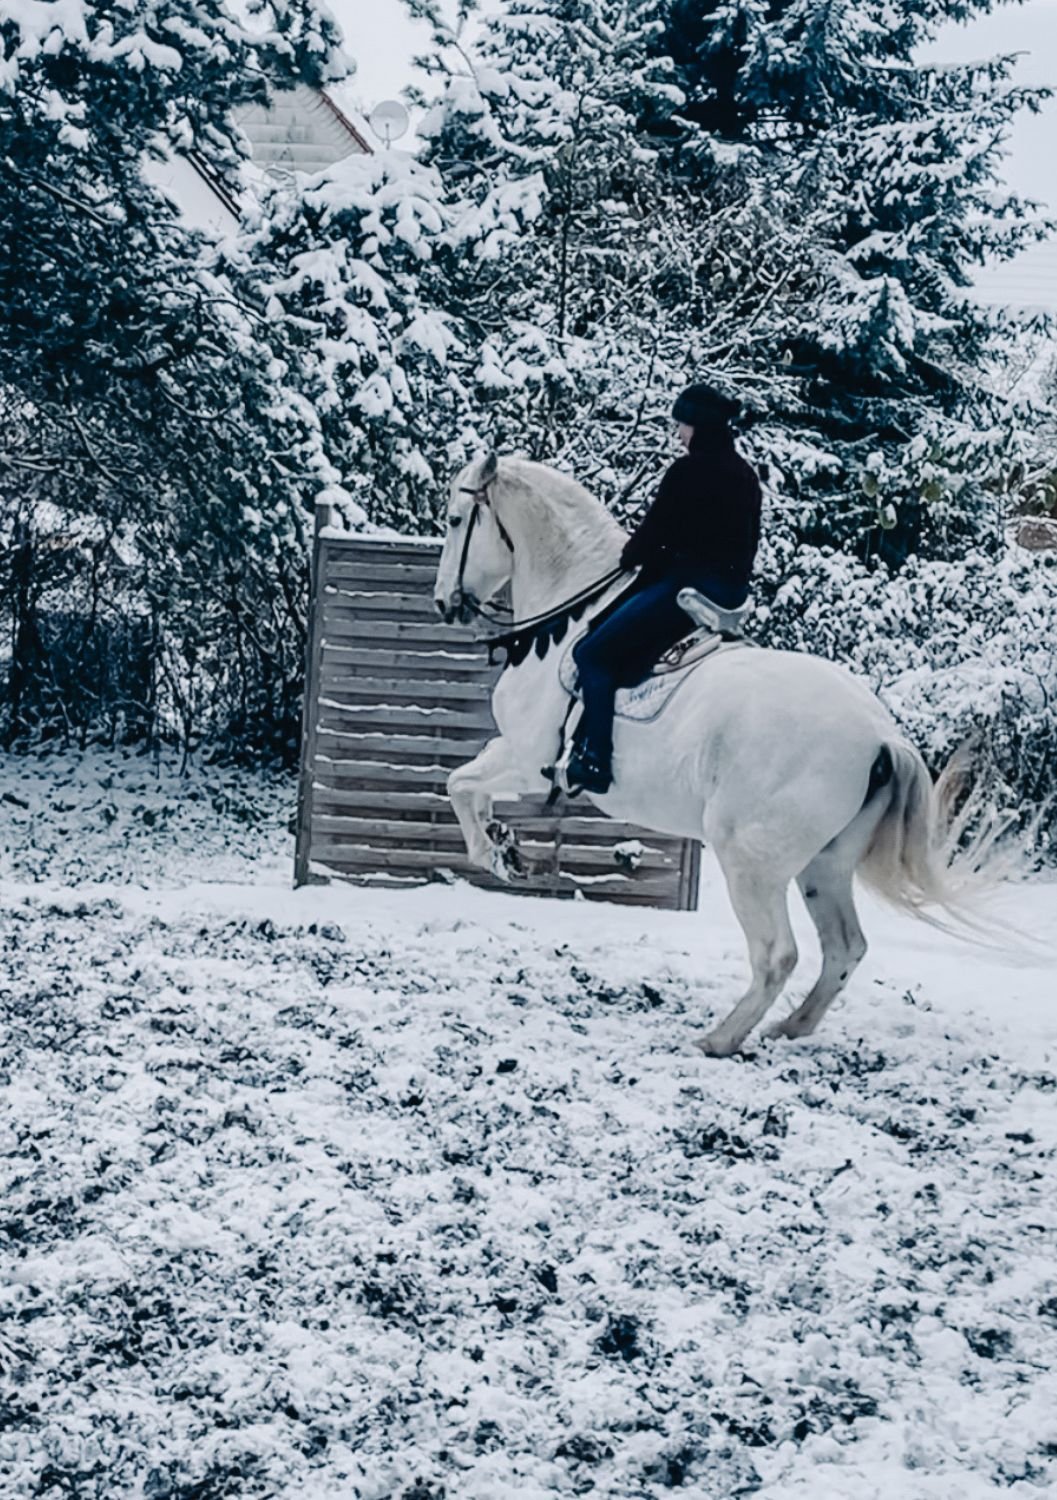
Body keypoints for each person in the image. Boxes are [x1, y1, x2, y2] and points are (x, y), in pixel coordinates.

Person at [566, 383, 762, 795]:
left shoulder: (688, 471)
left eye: (682, 425)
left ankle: (595, 758)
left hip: (686, 590)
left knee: (592, 653)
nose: (678, 434)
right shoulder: (746, 475)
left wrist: (629, 556)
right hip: (728, 595)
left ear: (698, 427)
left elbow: (657, 535)